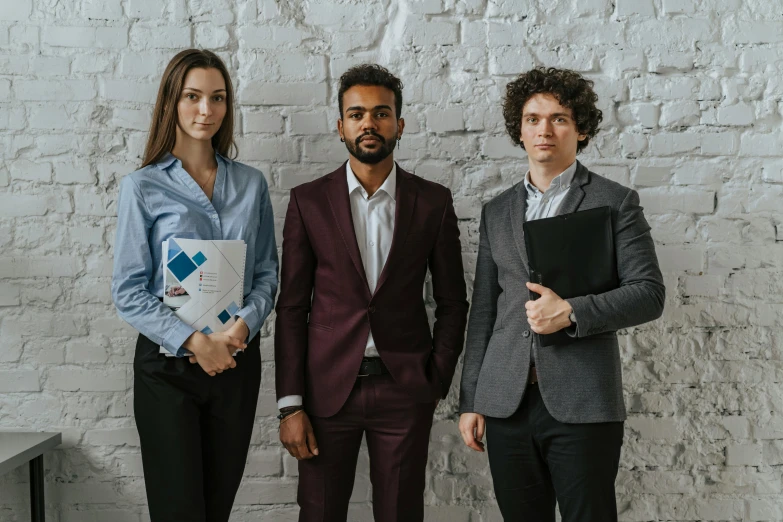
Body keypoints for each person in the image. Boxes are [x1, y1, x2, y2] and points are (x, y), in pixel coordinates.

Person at [458, 67, 665, 522]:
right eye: (532, 119)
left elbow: (648, 294)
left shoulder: (615, 202)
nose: (544, 130)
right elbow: (485, 312)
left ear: (581, 129)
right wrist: (471, 398)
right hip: (505, 402)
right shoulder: (497, 210)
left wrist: (571, 311)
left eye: (558, 119)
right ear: (520, 129)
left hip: (584, 402)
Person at [274, 63, 469, 522]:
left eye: (381, 113)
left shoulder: (433, 202)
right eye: (357, 114)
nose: (369, 123)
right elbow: (291, 308)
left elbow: (453, 302)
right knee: (319, 514)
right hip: (325, 393)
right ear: (340, 126)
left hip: (404, 390)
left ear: (399, 124)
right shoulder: (308, 201)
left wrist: (435, 380)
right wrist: (290, 404)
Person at [111, 49, 278, 522]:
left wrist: (243, 326)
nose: (207, 110)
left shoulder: (251, 184)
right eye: (193, 96)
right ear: (172, 102)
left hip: (236, 361)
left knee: (216, 509)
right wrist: (194, 341)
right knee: (179, 512)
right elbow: (128, 289)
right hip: (168, 371)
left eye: (218, 98)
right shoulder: (141, 187)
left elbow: (266, 272)